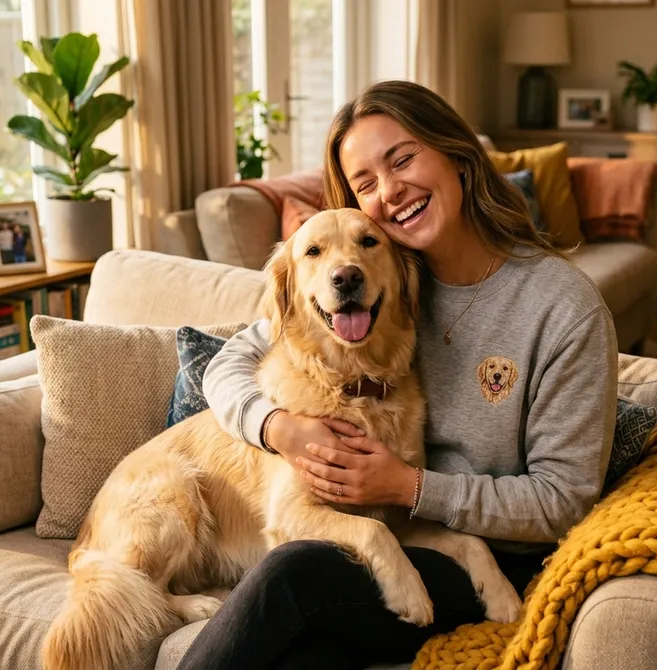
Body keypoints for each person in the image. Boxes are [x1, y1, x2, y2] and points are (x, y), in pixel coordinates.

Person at [178, 80, 618, 670]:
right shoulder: (377, 273)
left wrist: (406, 487)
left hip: (487, 554)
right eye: (365, 184)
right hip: (392, 537)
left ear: (457, 155)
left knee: (294, 571)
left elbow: (562, 501)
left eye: (403, 159)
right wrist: (277, 426)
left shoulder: (562, 308)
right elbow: (237, 355)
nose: (390, 191)